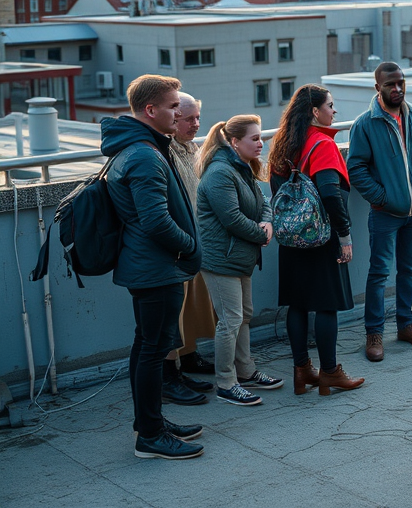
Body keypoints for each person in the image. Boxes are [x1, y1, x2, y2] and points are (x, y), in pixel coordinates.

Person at [101, 74, 203, 460]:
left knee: (149, 345)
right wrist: (190, 246)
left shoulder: (139, 145)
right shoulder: (143, 154)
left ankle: (151, 422)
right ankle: (150, 435)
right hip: (155, 268)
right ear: (151, 110)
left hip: (151, 265)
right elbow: (156, 221)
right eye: (174, 106)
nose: (180, 113)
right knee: (153, 348)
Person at [268, 85, 365, 394]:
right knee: (326, 306)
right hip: (322, 238)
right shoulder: (322, 144)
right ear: (314, 111)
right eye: (331, 105)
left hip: (291, 239)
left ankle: (302, 371)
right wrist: (345, 236)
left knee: (297, 305)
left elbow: (276, 193)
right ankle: (330, 373)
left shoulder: (282, 146)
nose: (334, 111)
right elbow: (330, 194)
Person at [348, 62, 412, 362]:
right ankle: (374, 332)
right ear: (378, 88)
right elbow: (356, 169)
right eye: (390, 84)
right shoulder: (365, 124)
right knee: (378, 273)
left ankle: (406, 324)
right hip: (385, 213)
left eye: (401, 82)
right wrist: (382, 198)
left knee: (411, 270)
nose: (397, 88)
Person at [197, 115, 283, 407]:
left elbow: (264, 201)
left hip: (240, 256)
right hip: (221, 258)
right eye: (255, 138)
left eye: (261, 137)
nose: (261, 143)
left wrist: (267, 224)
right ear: (235, 142)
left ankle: (245, 371)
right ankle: (226, 382)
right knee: (231, 320)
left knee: (244, 314)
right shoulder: (220, 172)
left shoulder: (242, 167)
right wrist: (261, 236)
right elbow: (231, 219)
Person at [162, 92, 217, 407]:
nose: (197, 124)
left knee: (195, 305)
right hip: (176, 245)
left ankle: (189, 357)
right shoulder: (163, 150)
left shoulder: (191, 147)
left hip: (195, 240)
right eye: (189, 119)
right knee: (174, 312)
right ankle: (171, 374)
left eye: (198, 117)